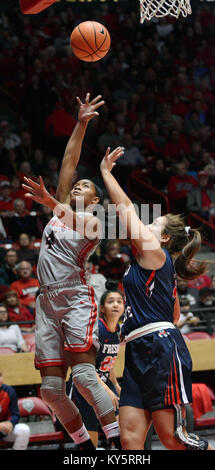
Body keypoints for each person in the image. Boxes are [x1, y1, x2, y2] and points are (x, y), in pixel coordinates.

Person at [22, 93, 122, 450]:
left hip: (74, 296)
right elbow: (69, 160)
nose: (78, 185)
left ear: (95, 200)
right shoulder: (58, 209)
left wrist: (51, 202)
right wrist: (81, 123)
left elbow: (69, 215)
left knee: (82, 375)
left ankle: (115, 440)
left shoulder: (94, 222)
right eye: (76, 184)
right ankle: (84, 445)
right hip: (45, 299)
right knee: (50, 389)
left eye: (86, 186)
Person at [99, 145, 214, 450]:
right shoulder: (151, 263)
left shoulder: (154, 251)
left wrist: (106, 174)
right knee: (130, 441)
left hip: (160, 349)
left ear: (163, 238)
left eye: (153, 224)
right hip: (138, 349)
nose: (146, 225)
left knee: (174, 440)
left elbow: (125, 210)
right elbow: (175, 315)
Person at [71, 289, 124, 448]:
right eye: (110, 301)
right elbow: (86, 366)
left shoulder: (117, 330)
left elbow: (109, 362)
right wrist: (107, 391)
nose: (115, 305)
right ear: (102, 308)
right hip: (85, 386)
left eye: (119, 301)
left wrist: (115, 385)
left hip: (103, 383)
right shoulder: (97, 329)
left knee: (122, 430)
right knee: (90, 443)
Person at [0, 370, 30, 449]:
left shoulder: (9, 391)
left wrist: (11, 423)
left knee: (24, 430)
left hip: (4, 430)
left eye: (0, 376)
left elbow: (15, 414)